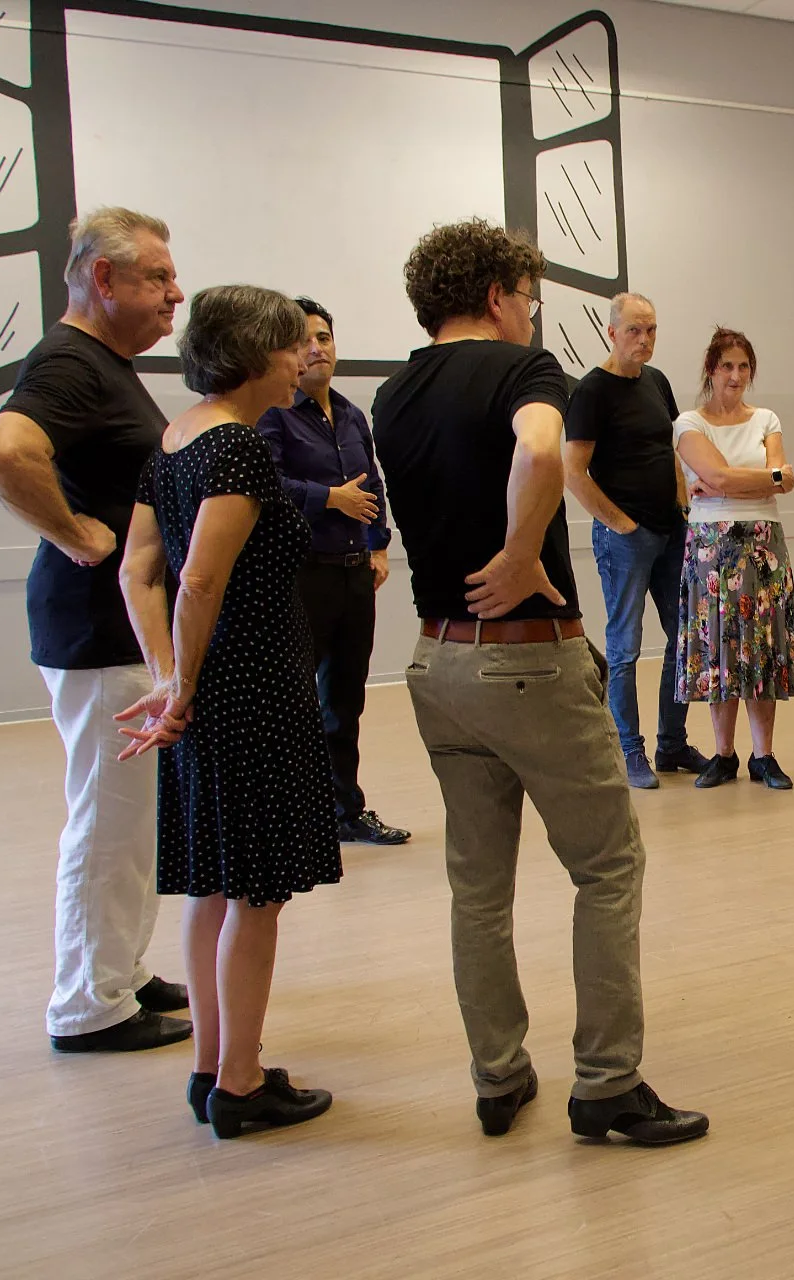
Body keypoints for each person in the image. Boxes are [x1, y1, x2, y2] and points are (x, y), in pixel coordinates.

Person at [372, 218, 706, 1144]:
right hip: (524, 655)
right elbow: (537, 447)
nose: (533, 315)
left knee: (477, 885)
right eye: (531, 299)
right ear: (498, 297)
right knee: (607, 868)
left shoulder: (392, 392)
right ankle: (605, 1084)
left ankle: (498, 1074)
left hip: (437, 663)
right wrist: (522, 551)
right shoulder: (525, 372)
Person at [117, 284, 340, 1138]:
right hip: (249, 689)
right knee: (255, 894)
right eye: (291, 346)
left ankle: (213, 1065)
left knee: (211, 884)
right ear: (254, 353)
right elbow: (197, 579)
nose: (302, 359)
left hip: (210, 691)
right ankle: (242, 1084)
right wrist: (180, 684)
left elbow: (140, 571)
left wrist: (172, 681)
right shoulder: (237, 452)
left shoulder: (169, 444)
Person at [0, 207, 189, 1053]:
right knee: (105, 816)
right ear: (103, 279)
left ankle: (123, 971)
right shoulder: (70, 359)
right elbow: (4, 451)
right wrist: (74, 532)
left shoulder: (102, 363)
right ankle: (86, 1004)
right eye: (158, 279)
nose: (176, 294)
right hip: (98, 632)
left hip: (118, 634)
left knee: (129, 817)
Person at [255, 297, 410, 847]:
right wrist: (329, 499)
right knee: (293, 702)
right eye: (304, 341)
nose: (316, 349)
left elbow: (374, 487)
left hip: (352, 577)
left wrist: (377, 545)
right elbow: (267, 487)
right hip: (301, 576)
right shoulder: (272, 414)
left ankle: (346, 811)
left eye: (324, 338)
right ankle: (292, 816)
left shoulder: (350, 414)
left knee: (344, 701)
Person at [564, 293, 711, 789]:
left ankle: (672, 745)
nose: (644, 339)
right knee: (624, 648)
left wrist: (682, 507)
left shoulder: (657, 382)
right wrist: (619, 524)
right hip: (625, 540)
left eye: (651, 330)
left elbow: (669, 449)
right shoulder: (591, 392)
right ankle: (629, 751)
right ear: (612, 333)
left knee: (683, 637)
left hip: (671, 532)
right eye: (634, 330)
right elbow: (574, 471)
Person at [671, 327, 794, 790]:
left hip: (764, 543)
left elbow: (781, 479)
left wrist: (735, 480)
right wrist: (761, 477)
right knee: (719, 648)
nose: (736, 374)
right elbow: (728, 477)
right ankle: (723, 755)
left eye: (743, 365)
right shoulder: (689, 423)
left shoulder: (766, 417)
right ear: (711, 369)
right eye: (727, 365)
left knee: (762, 647)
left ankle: (763, 756)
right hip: (711, 545)